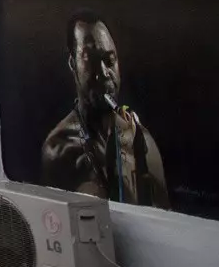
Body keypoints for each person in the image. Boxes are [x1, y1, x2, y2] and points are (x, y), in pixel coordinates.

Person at [41, 12, 168, 208]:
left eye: (109, 61)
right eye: (90, 61)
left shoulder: (140, 140)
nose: (103, 74)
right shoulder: (59, 150)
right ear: (72, 63)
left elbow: (166, 221)